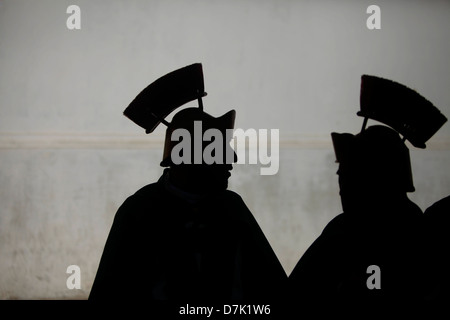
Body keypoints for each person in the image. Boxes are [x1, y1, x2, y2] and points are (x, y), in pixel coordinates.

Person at [89, 64, 286, 302]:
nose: (231, 159)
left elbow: (274, 290)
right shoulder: (138, 211)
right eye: (216, 150)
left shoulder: (233, 209)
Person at [288, 125, 423, 306]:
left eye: (350, 178)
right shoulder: (344, 227)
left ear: (378, 178)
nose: (342, 191)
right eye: (342, 179)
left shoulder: (348, 231)